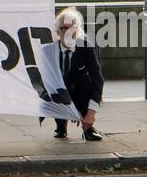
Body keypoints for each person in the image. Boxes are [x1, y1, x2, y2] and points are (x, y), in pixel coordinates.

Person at [39, 8, 105, 141]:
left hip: (79, 91)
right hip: (59, 93)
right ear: (58, 31)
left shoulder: (86, 47)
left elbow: (98, 79)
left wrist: (91, 112)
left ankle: (88, 127)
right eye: (64, 28)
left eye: (72, 28)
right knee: (54, 86)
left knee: (86, 81)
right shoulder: (47, 50)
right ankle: (61, 123)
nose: (69, 32)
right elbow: (42, 80)